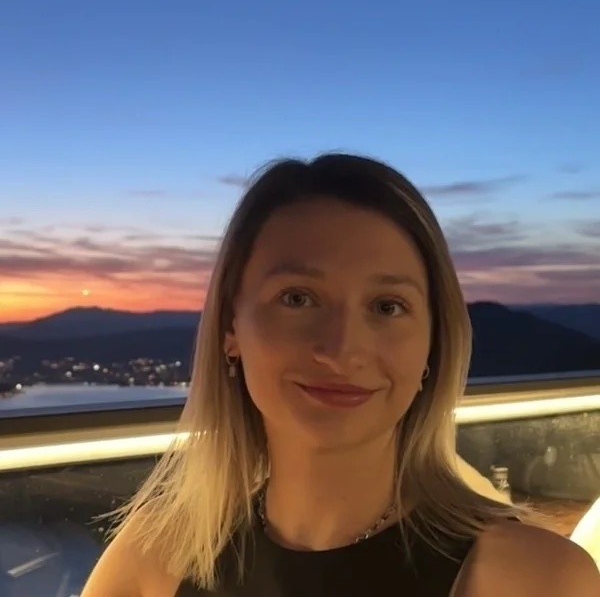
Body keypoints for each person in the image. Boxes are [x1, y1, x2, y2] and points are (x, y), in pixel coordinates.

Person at [81, 154, 599, 596]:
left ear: (432, 346)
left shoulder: (534, 579)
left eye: (387, 306)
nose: (342, 349)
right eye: (297, 298)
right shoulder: (156, 556)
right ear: (230, 327)